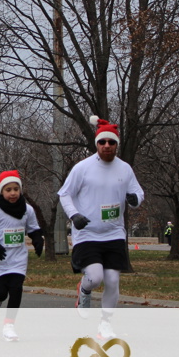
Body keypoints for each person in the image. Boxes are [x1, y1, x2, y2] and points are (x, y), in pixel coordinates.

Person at [58, 116, 144, 341]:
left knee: (113, 280)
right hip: (87, 233)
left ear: (117, 145)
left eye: (111, 142)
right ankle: (84, 289)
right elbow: (65, 194)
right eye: (102, 142)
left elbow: (138, 193)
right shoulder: (83, 168)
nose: (107, 146)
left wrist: (135, 199)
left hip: (114, 233)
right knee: (95, 277)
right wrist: (74, 215)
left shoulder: (124, 169)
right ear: (97, 144)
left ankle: (105, 323)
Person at [0, 169, 43, 342]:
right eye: (8, 190)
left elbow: (33, 228)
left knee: (16, 289)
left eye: (16, 189)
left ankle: (9, 325)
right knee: (1, 293)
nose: (13, 193)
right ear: (1, 191)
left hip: (17, 259)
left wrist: (38, 240)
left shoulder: (27, 209)